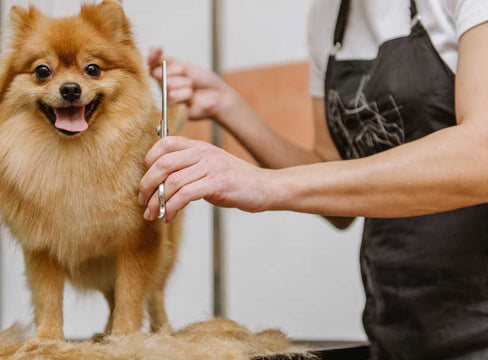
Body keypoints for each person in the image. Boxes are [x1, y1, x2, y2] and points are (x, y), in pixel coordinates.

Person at [139, 0, 488, 358]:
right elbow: (333, 184)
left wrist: (265, 184)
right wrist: (226, 104)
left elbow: (480, 156)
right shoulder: (329, 17)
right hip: (397, 324)